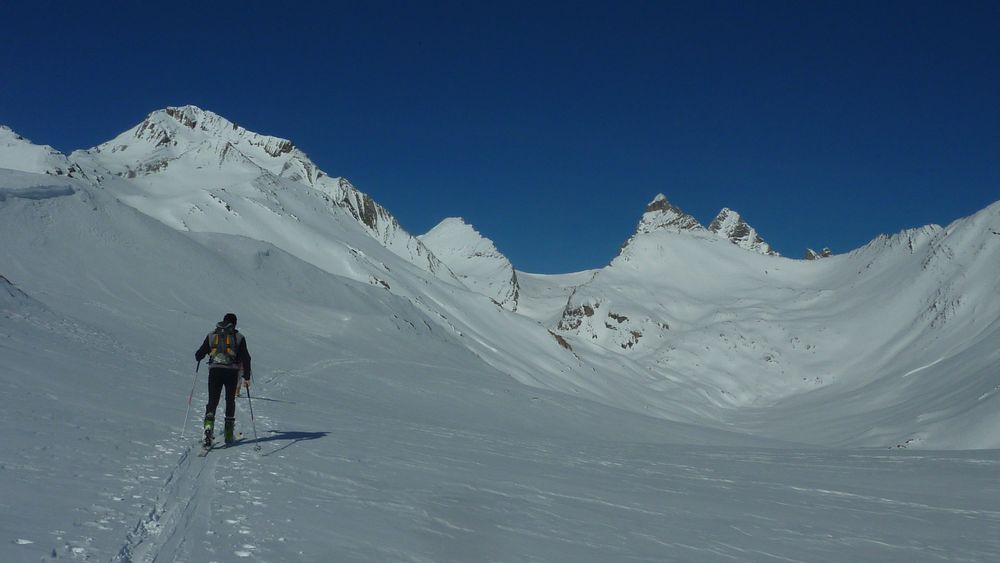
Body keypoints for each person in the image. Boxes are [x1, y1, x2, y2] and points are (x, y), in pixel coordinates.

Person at [195, 313, 252, 446]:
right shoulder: (239, 337)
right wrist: (246, 377)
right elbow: (246, 358)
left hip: (214, 371)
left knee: (212, 401)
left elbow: (199, 354)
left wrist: (199, 357)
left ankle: (208, 428)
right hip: (231, 373)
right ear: (234, 323)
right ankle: (228, 434)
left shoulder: (212, 335)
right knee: (229, 400)